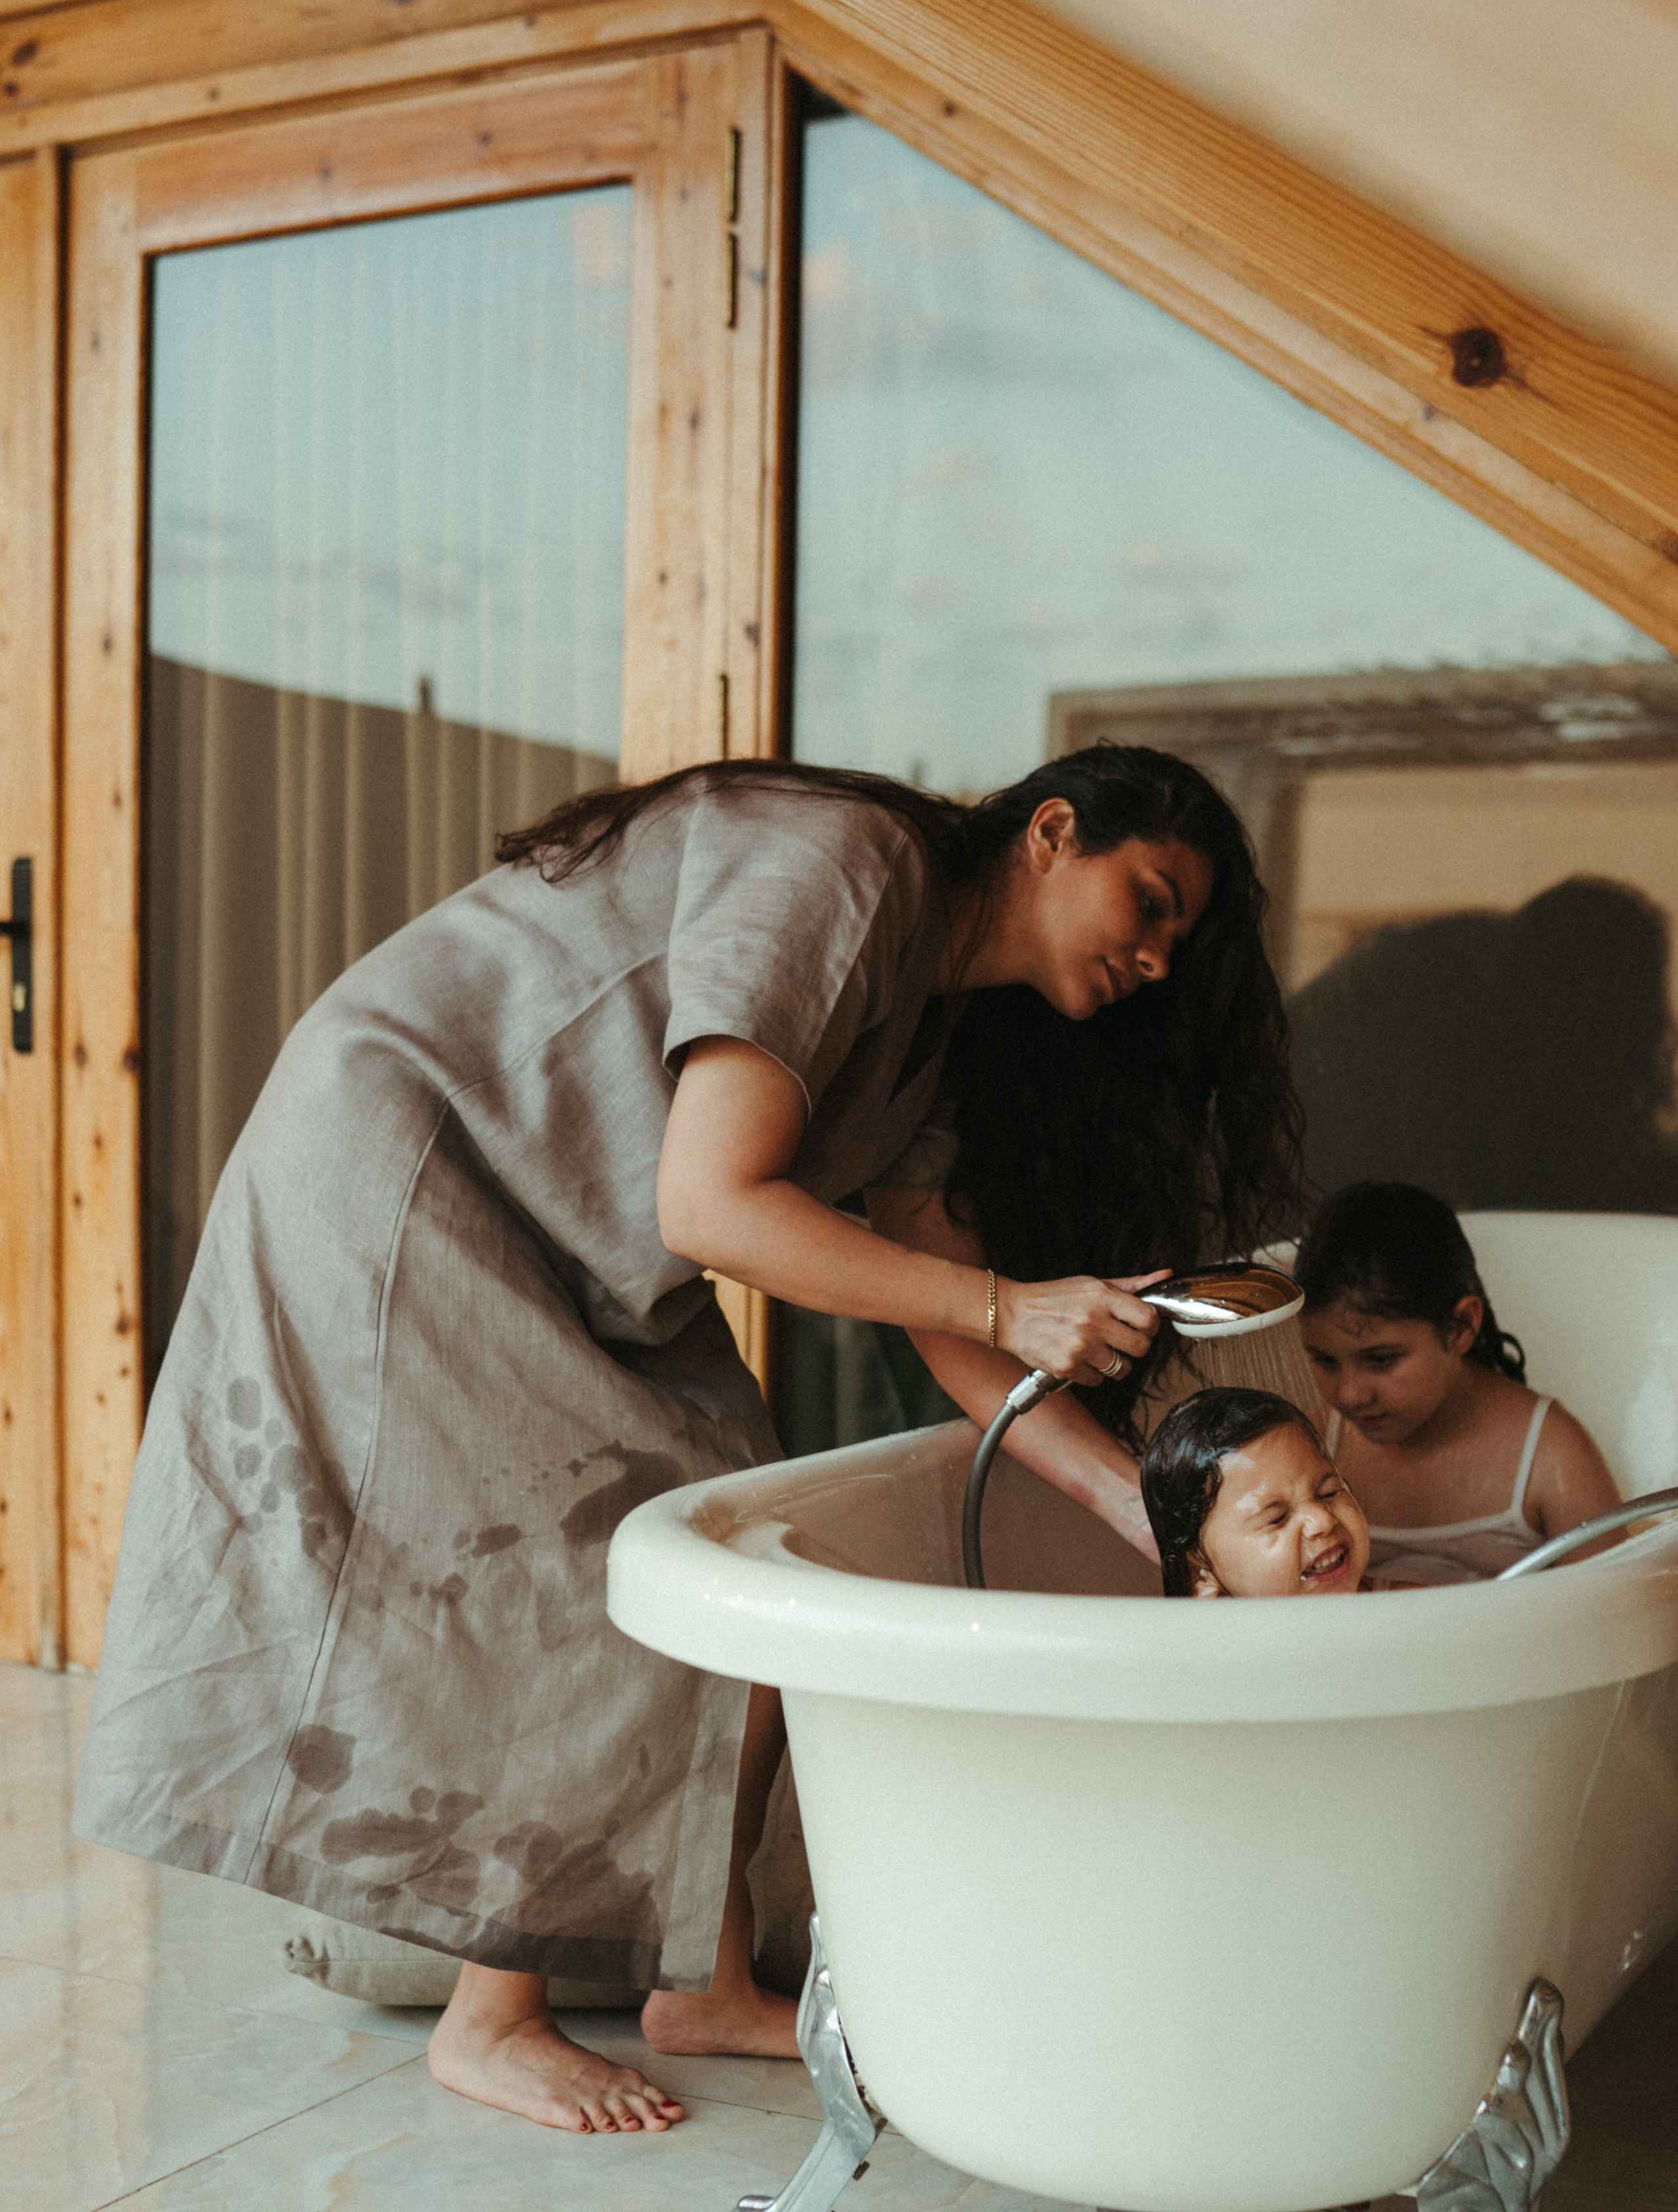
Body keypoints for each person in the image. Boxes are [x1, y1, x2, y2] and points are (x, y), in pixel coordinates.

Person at [74, 742, 1300, 2137]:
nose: (1153, 956)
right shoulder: (847, 862)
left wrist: (1135, 1502)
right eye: (1146, 902)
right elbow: (712, 1207)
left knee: (733, 1531)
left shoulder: (937, 1033)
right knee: (610, 1554)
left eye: (1175, 941)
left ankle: (701, 1983)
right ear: (1051, 832)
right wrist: (1014, 1305)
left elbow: (937, 1303)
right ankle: (492, 2020)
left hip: (574, 1238)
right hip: (415, 1157)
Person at [1295, 1183, 1620, 1586]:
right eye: (1325, 1361)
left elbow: (1618, 1606)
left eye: (1381, 1360)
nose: (1350, 1394)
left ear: (1461, 1327)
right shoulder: (1317, 1449)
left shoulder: (1549, 1455)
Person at [1141, 1387, 1374, 1596]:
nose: (1323, 1520)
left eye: (1329, 1493)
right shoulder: (1216, 1644)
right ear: (1200, 1572)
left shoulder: (1402, 1607)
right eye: (1277, 1519)